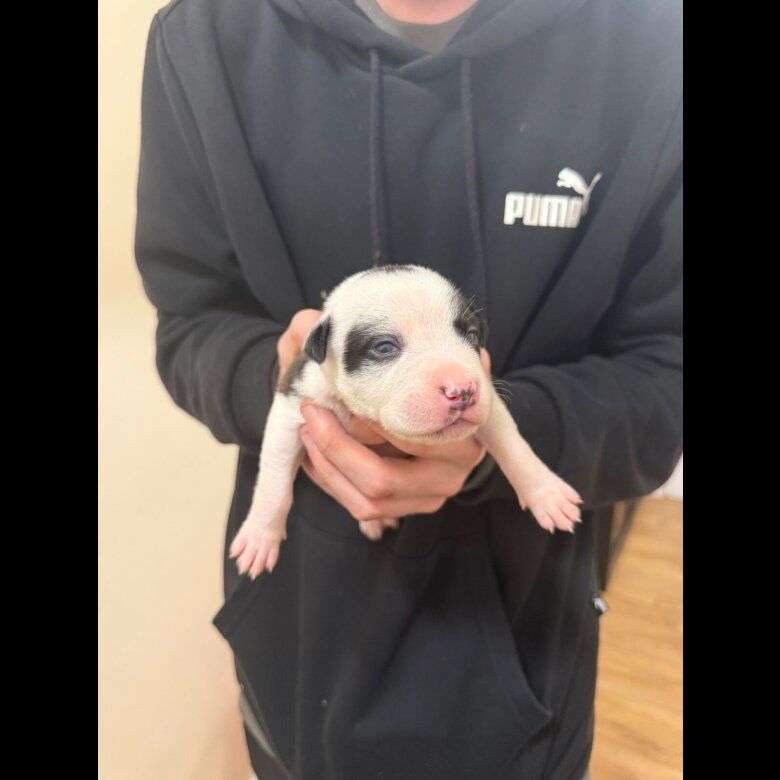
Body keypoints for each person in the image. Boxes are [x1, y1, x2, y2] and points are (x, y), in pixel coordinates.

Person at [135, 0, 682, 777]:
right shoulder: (203, 37)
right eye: (388, 348)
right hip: (302, 650)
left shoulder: (654, 43)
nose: (455, 376)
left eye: (465, 332)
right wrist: (287, 389)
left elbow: (664, 371)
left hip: (530, 657)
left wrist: (515, 443)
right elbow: (190, 325)